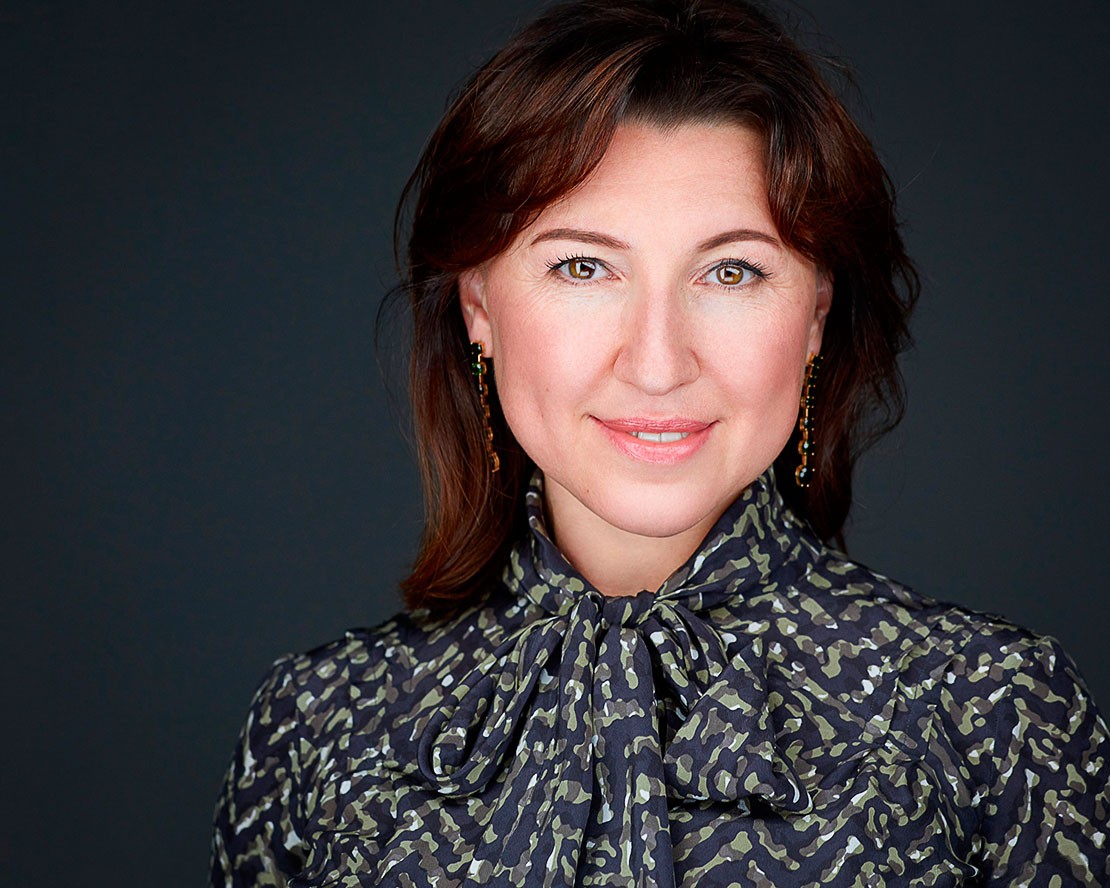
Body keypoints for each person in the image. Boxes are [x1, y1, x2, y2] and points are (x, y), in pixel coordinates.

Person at [210, 0, 1110, 884]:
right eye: (583, 266)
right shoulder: (315, 725)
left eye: (731, 271)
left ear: (815, 314)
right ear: (477, 304)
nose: (656, 364)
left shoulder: (995, 710)